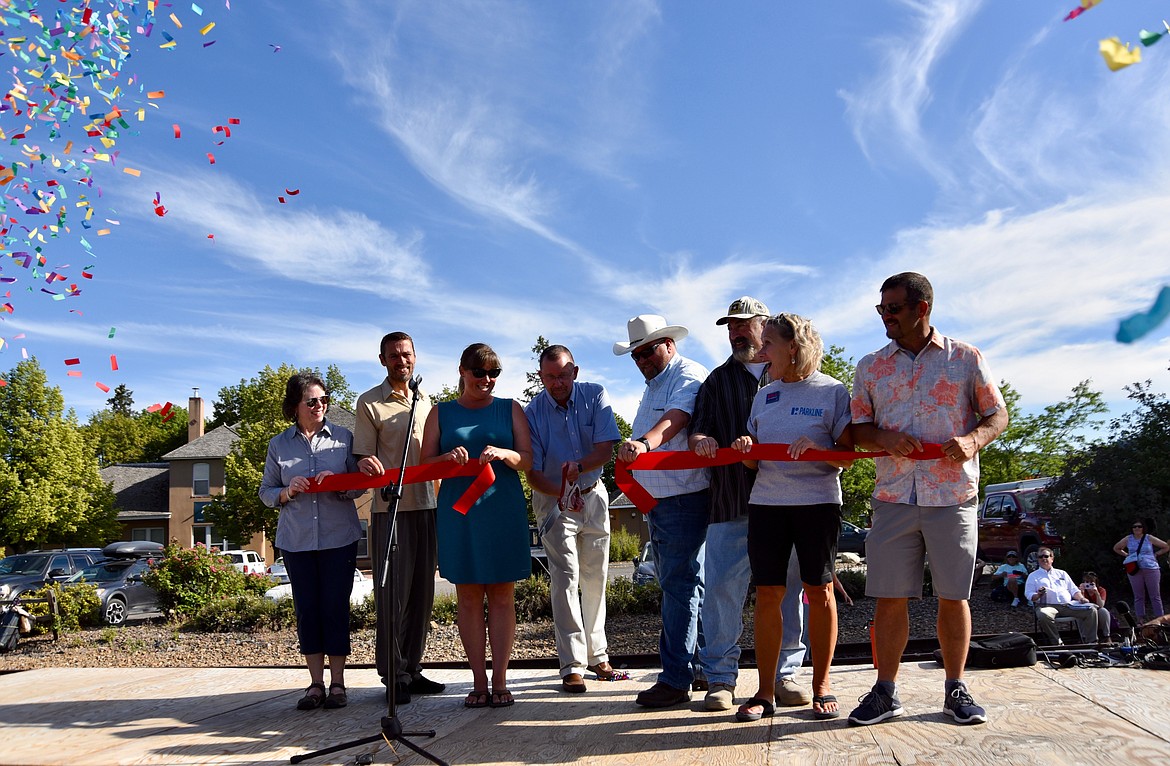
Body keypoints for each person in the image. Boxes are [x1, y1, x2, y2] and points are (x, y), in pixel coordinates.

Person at [848, 272, 1008, 727]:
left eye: (893, 308)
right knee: (888, 597)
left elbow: (998, 415)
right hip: (894, 494)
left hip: (952, 495)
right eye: (880, 309)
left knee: (953, 596)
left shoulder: (966, 357)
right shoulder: (870, 366)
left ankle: (955, 687)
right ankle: (885, 691)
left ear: (922, 308)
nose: (885, 317)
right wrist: (883, 436)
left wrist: (974, 439)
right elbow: (857, 431)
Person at [730, 313, 854, 722]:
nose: (762, 352)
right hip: (767, 504)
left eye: (769, 345)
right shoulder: (765, 393)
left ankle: (822, 686)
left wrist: (819, 448)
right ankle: (764, 694)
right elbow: (751, 465)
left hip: (818, 504)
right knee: (768, 595)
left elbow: (848, 457)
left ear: (793, 348)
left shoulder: (833, 391)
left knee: (818, 593)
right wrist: (748, 448)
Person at [688, 297, 810, 712]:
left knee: (786, 592)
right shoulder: (716, 381)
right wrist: (700, 440)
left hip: (786, 501)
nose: (736, 332)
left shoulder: (795, 376)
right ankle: (720, 680)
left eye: (744, 325)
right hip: (730, 501)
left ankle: (784, 675)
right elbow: (698, 430)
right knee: (721, 591)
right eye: (730, 327)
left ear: (765, 326)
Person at [420, 343, 533, 709]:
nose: (487, 380)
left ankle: (500, 680)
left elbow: (527, 459)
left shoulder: (510, 408)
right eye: (480, 372)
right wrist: (446, 459)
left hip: (503, 510)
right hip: (460, 514)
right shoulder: (440, 413)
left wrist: (504, 454)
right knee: (468, 597)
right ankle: (478, 682)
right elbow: (426, 466)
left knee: (502, 595)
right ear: (462, 371)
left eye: (494, 373)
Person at [614, 314, 709, 708]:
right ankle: (702, 668)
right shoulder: (659, 381)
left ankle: (675, 679)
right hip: (665, 499)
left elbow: (678, 419)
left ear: (669, 344)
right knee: (688, 584)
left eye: (648, 350)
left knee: (679, 586)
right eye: (636, 354)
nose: (642, 360)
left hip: (681, 497)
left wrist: (644, 443)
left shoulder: (686, 373)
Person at [259, 373, 363, 711]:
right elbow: (266, 492)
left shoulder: (344, 438)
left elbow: (360, 484)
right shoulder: (278, 445)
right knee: (308, 611)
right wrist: (288, 491)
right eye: (312, 401)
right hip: (297, 541)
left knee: (335, 608)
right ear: (296, 406)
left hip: (339, 538)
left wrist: (339, 483)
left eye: (324, 400)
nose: (320, 406)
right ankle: (315, 684)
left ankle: (337, 684)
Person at [524, 345, 623, 694]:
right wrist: (563, 493)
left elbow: (605, 449)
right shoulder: (531, 412)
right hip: (553, 500)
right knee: (566, 576)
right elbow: (532, 473)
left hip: (594, 493)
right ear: (541, 377)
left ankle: (599, 656)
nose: (557, 383)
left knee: (596, 576)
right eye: (550, 377)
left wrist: (578, 473)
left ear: (575, 372)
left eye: (563, 374)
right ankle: (571, 664)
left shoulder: (595, 395)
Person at [353, 331, 444, 705]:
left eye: (405, 354)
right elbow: (362, 456)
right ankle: (393, 675)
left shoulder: (427, 401)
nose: (400, 361)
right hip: (391, 511)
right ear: (382, 360)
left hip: (429, 507)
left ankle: (413, 668)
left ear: (415, 357)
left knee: (422, 596)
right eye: (393, 356)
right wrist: (363, 462)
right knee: (393, 597)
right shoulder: (369, 403)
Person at [1024, 547, 1101, 645]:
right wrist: (1038, 595)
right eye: (1040, 557)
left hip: (1068, 605)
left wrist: (1081, 598)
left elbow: (1073, 590)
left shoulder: (1062, 573)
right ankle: (1057, 642)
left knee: (1091, 610)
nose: (1043, 559)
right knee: (1042, 615)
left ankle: (1091, 642)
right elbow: (1028, 594)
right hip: (1047, 606)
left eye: (1046, 556)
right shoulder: (1033, 576)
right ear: (1038, 559)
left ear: (1052, 558)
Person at [1113, 521, 1169, 621]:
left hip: (1151, 568)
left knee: (1155, 595)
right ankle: (1140, 619)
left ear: (1143, 528)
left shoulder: (1148, 537)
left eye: (1139, 526)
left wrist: (1156, 554)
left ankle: (1160, 619)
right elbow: (1116, 548)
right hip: (1134, 568)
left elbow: (1165, 546)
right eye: (1134, 527)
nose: (1137, 528)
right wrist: (1127, 555)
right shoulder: (1128, 538)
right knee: (1138, 595)